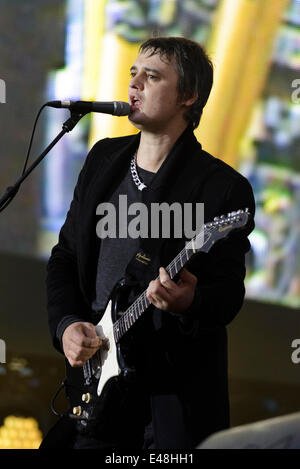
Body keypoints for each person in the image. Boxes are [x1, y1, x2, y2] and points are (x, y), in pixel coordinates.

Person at [40, 36, 255, 449]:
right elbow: (65, 257)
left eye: (151, 76)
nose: (134, 84)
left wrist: (188, 302)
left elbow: (227, 295)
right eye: (133, 73)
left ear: (188, 96)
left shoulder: (222, 187)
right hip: (97, 388)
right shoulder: (104, 159)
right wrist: (66, 325)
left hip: (167, 399)